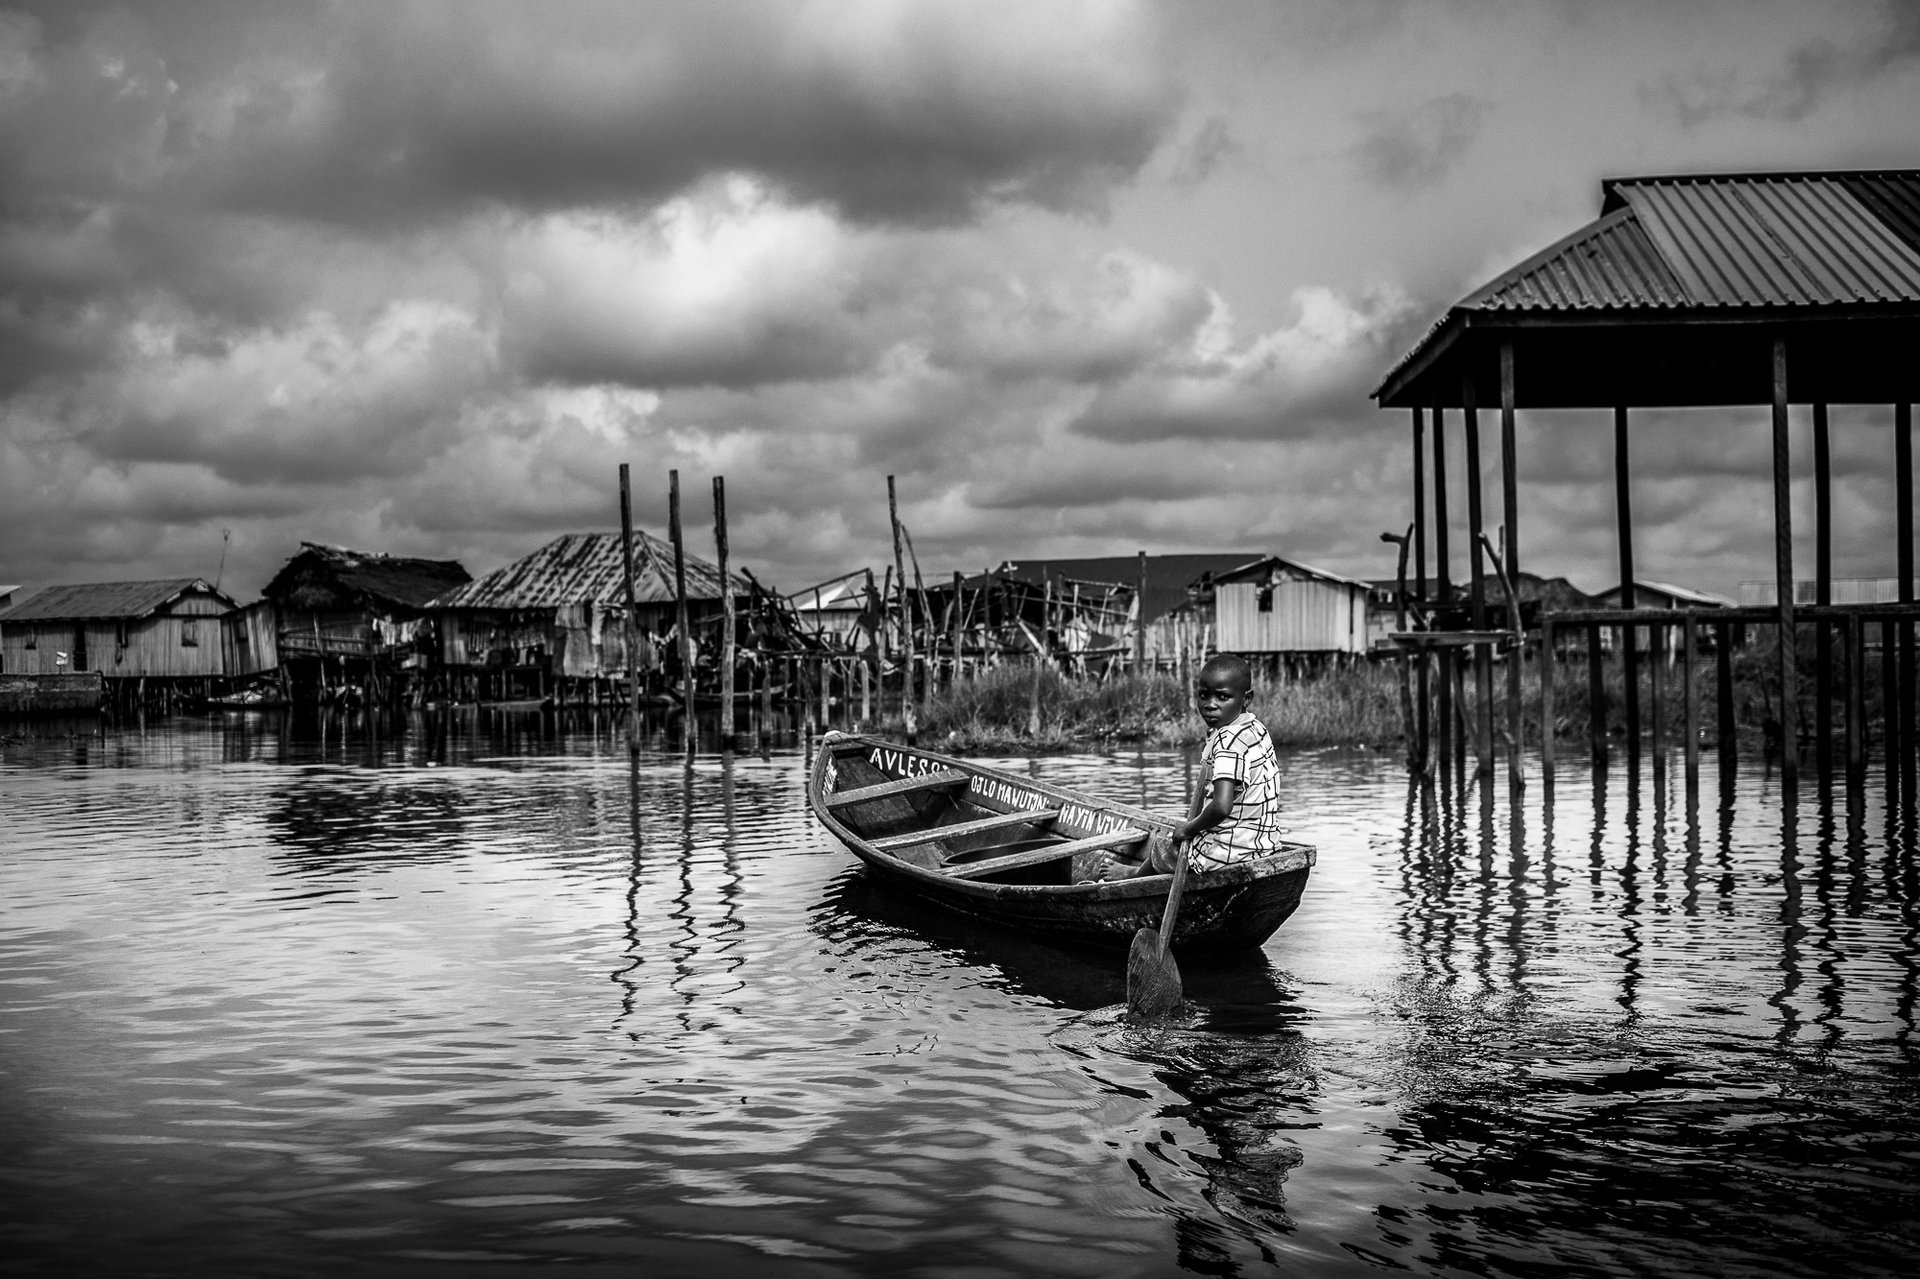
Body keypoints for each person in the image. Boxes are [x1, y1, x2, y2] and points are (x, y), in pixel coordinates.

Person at [1092, 653, 1285, 880]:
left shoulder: (1227, 742)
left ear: (1246, 698)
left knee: (1164, 845)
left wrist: (1189, 829)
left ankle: (1134, 875)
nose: (1210, 705)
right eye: (1204, 695)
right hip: (1264, 843)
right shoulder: (1256, 728)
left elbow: (1221, 807)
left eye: (1222, 697)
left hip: (1227, 852)